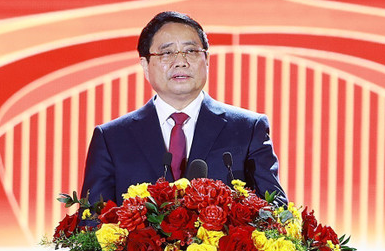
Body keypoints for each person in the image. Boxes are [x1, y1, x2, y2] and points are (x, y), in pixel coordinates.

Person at [80, 11, 286, 205]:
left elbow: (275, 208)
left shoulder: (247, 129)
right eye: (167, 53)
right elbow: (91, 223)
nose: (180, 61)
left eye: (191, 51)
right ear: (145, 64)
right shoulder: (112, 138)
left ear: (206, 60)